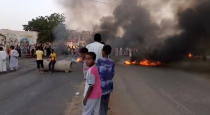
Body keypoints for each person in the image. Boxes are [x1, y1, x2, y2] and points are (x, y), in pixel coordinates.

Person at [97, 45, 115, 115]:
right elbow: (113, 74)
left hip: (101, 85)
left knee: (101, 105)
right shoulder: (112, 62)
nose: (101, 52)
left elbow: (97, 73)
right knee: (106, 103)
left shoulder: (99, 61)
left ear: (103, 52)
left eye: (102, 50)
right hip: (109, 84)